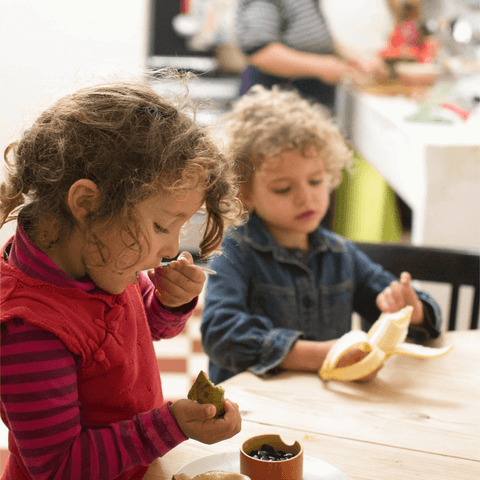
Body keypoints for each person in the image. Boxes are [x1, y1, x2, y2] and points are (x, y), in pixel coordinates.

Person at [0, 73, 243, 480]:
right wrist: (171, 426)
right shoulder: (29, 331)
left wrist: (168, 303)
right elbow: (58, 468)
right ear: (87, 203)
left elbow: (138, 331)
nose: (170, 250)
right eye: (163, 226)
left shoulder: (100, 255)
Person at [201, 85, 441, 385]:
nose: (307, 199)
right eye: (284, 188)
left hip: (325, 409)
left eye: (315, 181)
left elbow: (410, 311)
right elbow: (221, 334)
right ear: (244, 192)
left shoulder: (341, 253)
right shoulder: (235, 252)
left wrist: (413, 310)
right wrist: (321, 355)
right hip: (254, 411)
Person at [236, 0, 388, 109]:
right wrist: (321, 67)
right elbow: (260, 51)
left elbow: (315, 39)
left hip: (306, 99)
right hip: (275, 101)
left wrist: (356, 58)